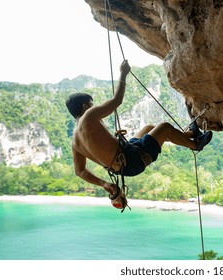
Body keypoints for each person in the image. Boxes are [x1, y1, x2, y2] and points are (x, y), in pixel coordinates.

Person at [65, 60, 212, 200]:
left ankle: (190, 134)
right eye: (91, 104)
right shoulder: (88, 116)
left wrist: (105, 183)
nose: (93, 106)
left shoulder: (75, 142)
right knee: (164, 127)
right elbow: (117, 101)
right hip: (132, 158)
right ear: (85, 107)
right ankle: (196, 145)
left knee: (148, 128)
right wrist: (123, 74)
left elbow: (80, 171)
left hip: (124, 165)